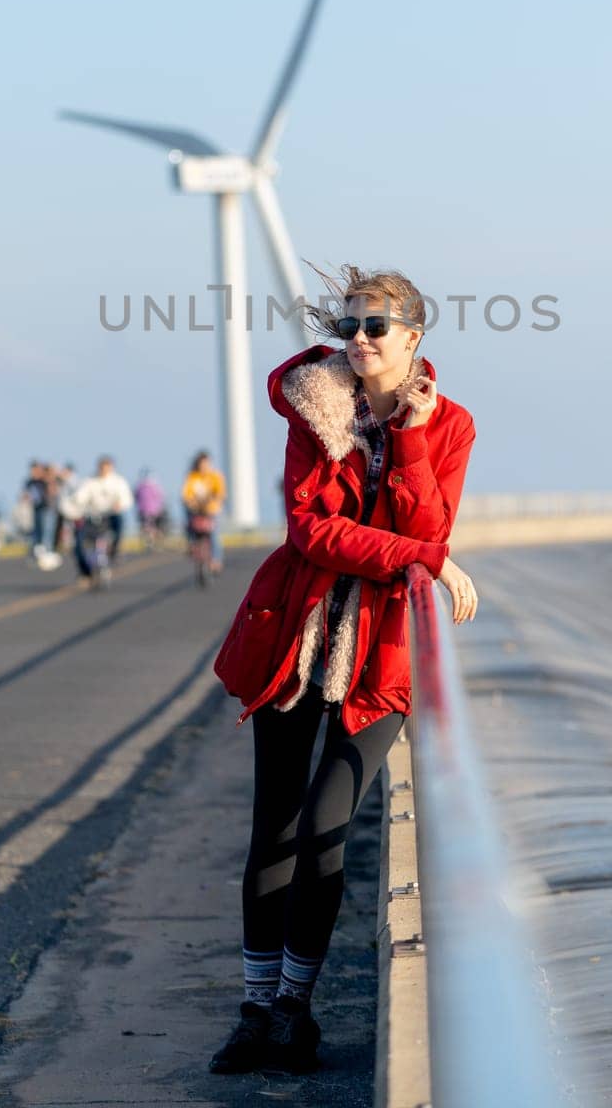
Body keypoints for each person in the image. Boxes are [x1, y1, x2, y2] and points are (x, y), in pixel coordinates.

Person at [209, 264, 478, 1075]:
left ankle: (296, 1008)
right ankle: (255, 1012)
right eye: (349, 326)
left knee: (329, 832)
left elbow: (430, 518)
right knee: (277, 833)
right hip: (300, 639)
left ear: (413, 338)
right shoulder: (312, 407)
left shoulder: (453, 425)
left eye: (375, 327)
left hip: (381, 653)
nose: (357, 340)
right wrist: (419, 556)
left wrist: (412, 442)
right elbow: (311, 531)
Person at [62, 456, 133, 578]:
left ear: (111, 468)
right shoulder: (90, 481)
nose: (104, 471)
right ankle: (84, 570)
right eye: (102, 468)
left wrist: (120, 504)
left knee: (119, 523)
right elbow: (80, 496)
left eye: (107, 468)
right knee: (78, 541)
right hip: (92, 516)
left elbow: (127, 499)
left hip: (110, 516)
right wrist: (75, 504)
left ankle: (114, 552)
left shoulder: (118, 482)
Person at [181, 451, 227, 574]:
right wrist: (190, 502)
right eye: (202, 464)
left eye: (206, 464)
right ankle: (190, 544)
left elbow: (220, 493)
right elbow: (186, 494)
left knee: (214, 534)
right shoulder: (192, 477)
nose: (204, 466)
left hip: (211, 510)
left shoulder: (215, 476)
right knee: (188, 524)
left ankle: (216, 560)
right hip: (196, 509)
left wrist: (216, 500)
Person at [135, 468, 167, 548]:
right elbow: (161, 497)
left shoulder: (140, 487)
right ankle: (152, 541)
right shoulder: (155, 487)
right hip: (153, 511)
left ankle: (151, 541)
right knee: (151, 527)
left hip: (145, 511)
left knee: (148, 526)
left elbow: (136, 497)